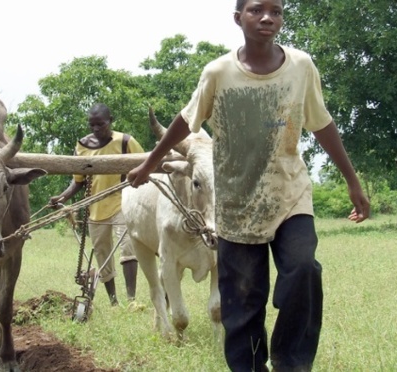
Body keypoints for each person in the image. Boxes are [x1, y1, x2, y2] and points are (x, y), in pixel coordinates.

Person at [127, 0, 370, 370]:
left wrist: (352, 181)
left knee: (303, 270)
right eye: (257, 10)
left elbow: (321, 123)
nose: (267, 17)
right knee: (242, 298)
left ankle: (290, 362)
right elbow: (186, 120)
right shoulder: (218, 72)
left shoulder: (301, 66)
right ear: (238, 18)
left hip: (289, 194)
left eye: (276, 11)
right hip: (235, 202)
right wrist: (149, 162)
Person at [50, 103, 144, 306]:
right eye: (91, 125)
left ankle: (131, 300)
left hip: (122, 202)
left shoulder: (125, 141)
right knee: (102, 255)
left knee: (127, 247)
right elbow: (78, 180)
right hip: (95, 207)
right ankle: (113, 302)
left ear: (110, 121)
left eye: (100, 124)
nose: (95, 129)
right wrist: (63, 198)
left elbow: (143, 167)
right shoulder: (82, 146)